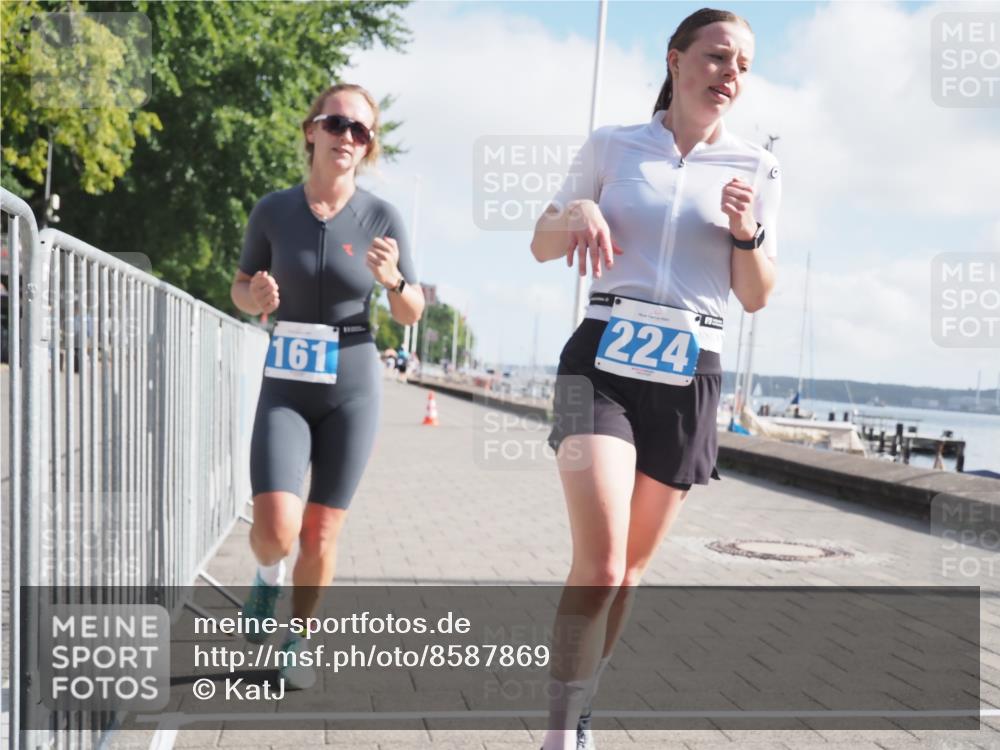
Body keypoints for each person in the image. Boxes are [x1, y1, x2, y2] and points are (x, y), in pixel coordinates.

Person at [529, 9, 781, 749]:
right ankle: (557, 734)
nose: (729, 73)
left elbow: (758, 295)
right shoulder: (612, 146)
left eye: (742, 65)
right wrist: (577, 207)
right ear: (676, 60)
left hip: (689, 371)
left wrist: (747, 234)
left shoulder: (756, 169)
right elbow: (543, 244)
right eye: (716, 56)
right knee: (602, 560)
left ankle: (582, 707)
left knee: (630, 572)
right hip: (602, 358)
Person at [230, 83, 425, 689]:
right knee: (275, 529)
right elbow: (239, 287)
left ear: (368, 148)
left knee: (321, 530)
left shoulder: (382, 217)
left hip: (354, 380)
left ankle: (301, 638)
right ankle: (267, 576)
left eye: (360, 131)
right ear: (311, 130)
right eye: (336, 124)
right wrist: (252, 297)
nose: (347, 137)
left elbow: (411, 311)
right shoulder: (272, 209)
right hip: (286, 381)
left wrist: (394, 280)